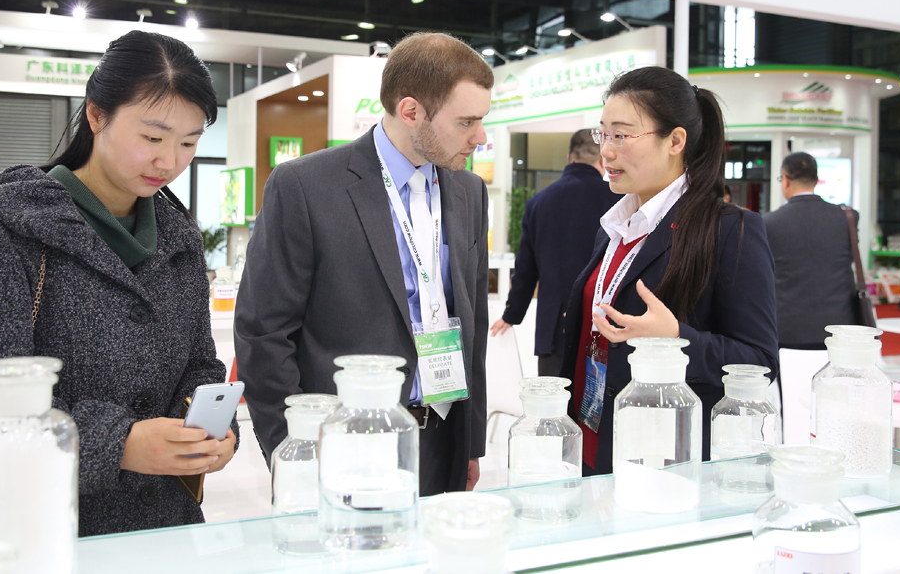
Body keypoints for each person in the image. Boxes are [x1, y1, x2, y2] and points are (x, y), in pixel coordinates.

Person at [0, 30, 237, 537]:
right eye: (152, 138)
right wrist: (117, 444)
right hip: (38, 533)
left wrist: (211, 427)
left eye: (188, 143)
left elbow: (198, 364)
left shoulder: (178, 236)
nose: (169, 161)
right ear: (96, 115)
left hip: (166, 530)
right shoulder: (3, 225)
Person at [235, 32, 492, 496]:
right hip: (342, 446)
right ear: (410, 111)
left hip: (442, 440)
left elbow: (473, 322)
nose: (481, 137)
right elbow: (263, 331)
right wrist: (295, 449)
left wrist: (470, 443)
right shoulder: (305, 186)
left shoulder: (468, 191)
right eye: (467, 122)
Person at [557, 67, 778, 473]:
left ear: (675, 141)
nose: (606, 152)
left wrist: (675, 337)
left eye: (621, 136)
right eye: (603, 135)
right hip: (590, 440)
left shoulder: (728, 229)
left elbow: (760, 362)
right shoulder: (615, 227)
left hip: (661, 459)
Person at [491, 130, 621, 376]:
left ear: (570, 157)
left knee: (553, 398)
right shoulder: (618, 201)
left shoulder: (539, 202)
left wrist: (511, 314)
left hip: (552, 332)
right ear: (602, 160)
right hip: (604, 326)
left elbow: (526, 269)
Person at [763, 152, 860, 350]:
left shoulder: (768, 222)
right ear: (816, 180)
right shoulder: (847, 217)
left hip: (787, 329)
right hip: (839, 328)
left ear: (786, 181)